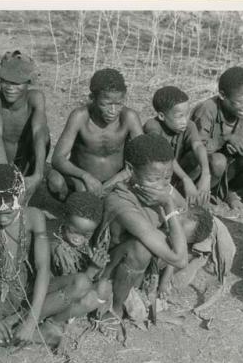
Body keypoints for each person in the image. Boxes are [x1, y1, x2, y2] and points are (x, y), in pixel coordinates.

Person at [0, 164, 104, 349]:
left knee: (82, 283)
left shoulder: (33, 217)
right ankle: (37, 336)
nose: (3, 219)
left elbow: (42, 268)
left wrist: (30, 320)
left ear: (20, 199)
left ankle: (20, 325)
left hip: (24, 294)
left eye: (8, 213)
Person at [100, 134, 188, 321]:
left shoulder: (155, 187)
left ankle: (144, 285)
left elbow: (185, 209)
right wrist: (169, 206)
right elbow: (180, 260)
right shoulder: (120, 201)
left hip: (145, 266)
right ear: (131, 170)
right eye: (155, 178)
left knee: (188, 224)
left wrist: (170, 198)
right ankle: (115, 309)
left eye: (168, 177)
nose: (162, 185)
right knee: (141, 250)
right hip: (111, 270)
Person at [47, 68, 143, 201]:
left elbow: (145, 157)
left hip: (117, 181)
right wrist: (85, 177)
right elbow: (58, 159)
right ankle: (75, 203)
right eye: (106, 104)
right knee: (55, 180)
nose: (113, 111)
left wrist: (121, 177)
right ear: (92, 98)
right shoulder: (80, 117)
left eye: (119, 104)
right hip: (82, 182)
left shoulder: (129, 117)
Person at [0, 50, 50, 199]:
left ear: (28, 83)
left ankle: (32, 176)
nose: (9, 87)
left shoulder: (35, 98)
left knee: (44, 132)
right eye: (5, 81)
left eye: (16, 83)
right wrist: (5, 173)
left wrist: (38, 174)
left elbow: (39, 131)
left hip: (25, 162)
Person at [190, 66, 243, 210]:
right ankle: (200, 195)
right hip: (206, 168)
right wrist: (225, 139)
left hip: (231, 167)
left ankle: (229, 191)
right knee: (218, 161)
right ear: (222, 95)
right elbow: (195, 149)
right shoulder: (207, 109)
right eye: (240, 101)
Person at [143, 86, 211, 205]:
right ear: (161, 116)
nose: (184, 121)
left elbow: (198, 146)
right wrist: (186, 179)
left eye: (186, 114)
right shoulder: (152, 126)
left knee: (197, 159)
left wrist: (206, 174)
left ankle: (192, 198)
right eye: (179, 116)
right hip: (157, 177)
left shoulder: (189, 126)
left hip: (175, 174)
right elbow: (163, 154)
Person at [51, 192, 113, 319]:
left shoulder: (86, 243)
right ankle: (56, 320)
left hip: (76, 289)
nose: (77, 239)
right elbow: (73, 287)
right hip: (56, 296)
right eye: (74, 232)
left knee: (105, 286)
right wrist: (93, 269)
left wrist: (100, 263)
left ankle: (82, 313)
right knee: (92, 292)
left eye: (85, 235)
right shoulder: (59, 249)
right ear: (64, 219)